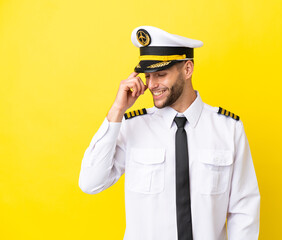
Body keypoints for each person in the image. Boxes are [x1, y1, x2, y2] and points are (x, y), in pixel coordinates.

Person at [78, 26, 260, 240]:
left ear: (187, 69)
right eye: (148, 76)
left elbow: (244, 209)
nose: (152, 85)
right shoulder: (131, 126)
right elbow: (90, 183)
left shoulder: (228, 129)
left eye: (161, 74)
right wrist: (117, 110)